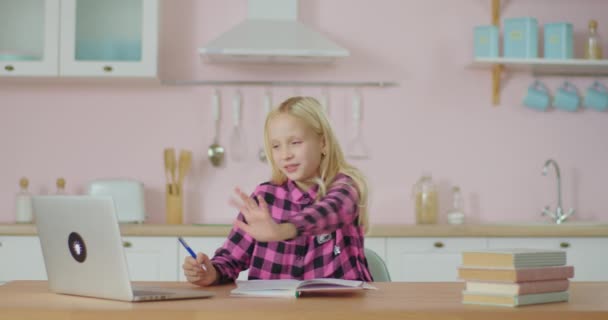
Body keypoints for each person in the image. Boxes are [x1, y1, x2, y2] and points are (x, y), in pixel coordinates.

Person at [183, 96, 372, 286]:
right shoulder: (265, 197)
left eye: (295, 142)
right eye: (276, 146)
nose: (285, 155)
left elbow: (331, 211)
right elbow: (231, 259)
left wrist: (283, 230)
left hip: (338, 311)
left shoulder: (346, 188)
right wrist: (211, 272)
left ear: (323, 143)